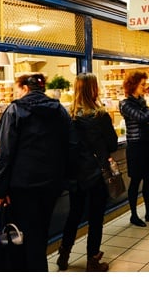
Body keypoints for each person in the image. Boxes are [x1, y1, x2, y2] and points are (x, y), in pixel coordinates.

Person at [0, 73, 72, 271]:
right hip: (51, 184)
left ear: (25, 88)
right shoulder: (59, 110)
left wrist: (0, 190)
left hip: (23, 185)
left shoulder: (15, 110)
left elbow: (5, 153)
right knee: (40, 232)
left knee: (25, 236)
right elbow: (70, 144)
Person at [56, 73, 118, 272]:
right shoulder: (100, 116)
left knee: (74, 215)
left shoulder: (68, 117)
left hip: (75, 175)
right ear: (93, 89)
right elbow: (113, 144)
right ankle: (92, 259)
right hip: (96, 174)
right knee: (96, 217)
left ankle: (63, 256)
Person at [119, 70, 149, 227]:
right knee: (135, 181)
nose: (145, 88)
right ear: (133, 85)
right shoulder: (125, 104)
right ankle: (133, 215)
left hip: (147, 145)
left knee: (148, 180)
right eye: (142, 85)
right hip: (136, 147)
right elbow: (143, 118)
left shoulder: (141, 101)